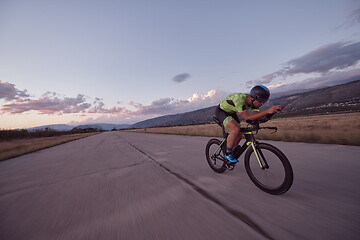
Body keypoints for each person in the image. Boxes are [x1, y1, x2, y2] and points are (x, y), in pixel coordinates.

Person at [215, 85, 282, 164]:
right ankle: (228, 154)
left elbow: (255, 116)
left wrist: (270, 114)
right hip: (222, 111)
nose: (261, 103)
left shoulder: (254, 103)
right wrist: (267, 111)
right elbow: (248, 117)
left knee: (239, 135)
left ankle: (230, 149)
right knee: (235, 129)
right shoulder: (240, 99)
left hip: (232, 112)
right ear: (253, 97)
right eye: (260, 100)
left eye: (264, 101)